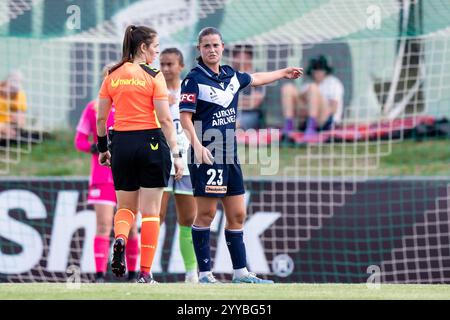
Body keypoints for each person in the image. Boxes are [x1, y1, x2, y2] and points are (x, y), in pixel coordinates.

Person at [179, 27, 302, 284]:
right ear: (199, 50)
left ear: (223, 47)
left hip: (229, 154)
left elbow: (255, 78)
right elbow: (185, 118)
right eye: (206, 46)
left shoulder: (230, 75)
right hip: (207, 154)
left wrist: (283, 73)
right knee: (207, 215)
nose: (212, 50)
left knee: (237, 214)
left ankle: (241, 273)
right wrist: (198, 146)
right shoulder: (193, 79)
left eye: (215, 45)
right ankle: (204, 275)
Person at [96, 25, 183, 284]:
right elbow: (166, 120)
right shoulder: (154, 75)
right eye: (155, 48)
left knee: (125, 208)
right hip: (151, 142)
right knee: (151, 212)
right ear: (143, 47)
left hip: (121, 143)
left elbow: (101, 118)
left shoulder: (112, 75)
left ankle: (121, 238)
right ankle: (145, 273)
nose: (156, 53)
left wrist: (103, 149)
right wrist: (177, 154)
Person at [74, 64, 139, 283]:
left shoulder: (133, 108)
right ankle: (100, 275)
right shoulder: (93, 108)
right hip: (103, 178)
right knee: (103, 225)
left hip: (130, 176)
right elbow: (80, 140)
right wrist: (98, 148)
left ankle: (134, 274)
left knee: (131, 228)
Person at [158, 48, 198, 283]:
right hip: (161, 160)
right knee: (156, 216)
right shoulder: (154, 90)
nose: (165, 69)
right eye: (162, 64)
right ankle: (147, 270)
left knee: (188, 219)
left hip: (186, 161)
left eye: (170, 64)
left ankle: (191, 273)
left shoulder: (189, 90)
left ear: (180, 66)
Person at [281, 55, 344, 142]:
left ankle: (311, 127)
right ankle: (289, 127)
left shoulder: (334, 83)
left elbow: (333, 109)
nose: (318, 72)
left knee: (313, 88)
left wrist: (315, 104)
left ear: (326, 70)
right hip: (306, 119)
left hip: (326, 121)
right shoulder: (307, 84)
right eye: (315, 69)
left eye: (321, 69)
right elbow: (300, 105)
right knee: (288, 88)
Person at [230, 45, 265, 130]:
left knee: (235, 124)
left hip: (250, 114)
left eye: (240, 57)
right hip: (230, 113)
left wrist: (233, 101)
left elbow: (254, 103)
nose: (237, 61)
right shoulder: (229, 75)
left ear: (249, 58)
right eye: (236, 57)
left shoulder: (258, 75)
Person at [0, 71, 27, 140]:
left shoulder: (19, 95)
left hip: (8, 125)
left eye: (15, 89)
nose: (13, 91)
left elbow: (21, 120)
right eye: (11, 88)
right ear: (5, 83)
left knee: (12, 134)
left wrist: (17, 120)